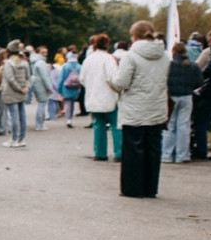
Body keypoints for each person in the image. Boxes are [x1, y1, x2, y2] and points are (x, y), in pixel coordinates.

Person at [108, 20, 170, 198]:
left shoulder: (131, 56)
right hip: (156, 107)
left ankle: (133, 188)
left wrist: (111, 79)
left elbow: (121, 82)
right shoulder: (165, 55)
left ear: (134, 36)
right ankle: (150, 187)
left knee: (134, 149)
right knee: (153, 149)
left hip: (135, 108)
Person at [79, 33, 122, 162]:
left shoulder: (88, 59)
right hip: (108, 96)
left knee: (98, 125)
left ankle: (100, 153)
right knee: (116, 125)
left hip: (93, 96)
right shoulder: (108, 59)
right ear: (107, 45)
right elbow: (112, 77)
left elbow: (82, 78)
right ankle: (119, 152)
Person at [161, 42, 203, 164]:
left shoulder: (169, 65)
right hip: (187, 96)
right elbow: (200, 82)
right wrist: (190, 88)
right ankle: (182, 155)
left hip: (171, 97)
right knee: (184, 126)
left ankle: (167, 155)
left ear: (173, 52)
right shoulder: (193, 66)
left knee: (170, 125)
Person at [192, 29, 211, 159]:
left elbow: (210, 69)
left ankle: (201, 151)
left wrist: (197, 79)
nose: (209, 43)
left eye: (210, 40)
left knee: (201, 121)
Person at [0, 40, 30, 148]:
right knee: (22, 115)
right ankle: (22, 138)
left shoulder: (8, 63)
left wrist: (18, 88)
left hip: (10, 92)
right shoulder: (24, 62)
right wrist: (25, 87)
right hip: (23, 91)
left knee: (13, 116)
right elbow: (28, 77)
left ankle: (14, 139)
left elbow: (10, 78)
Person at [29, 46, 53, 131]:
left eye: (46, 52)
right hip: (41, 84)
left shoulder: (35, 61)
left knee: (41, 104)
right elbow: (45, 76)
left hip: (37, 83)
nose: (45, 54)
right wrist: (49, 87)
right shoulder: (41, 63)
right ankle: (39, 124)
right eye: (43, 52)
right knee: (42, 104)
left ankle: (40, 124)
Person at [57, 52, 82, 127]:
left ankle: (68, 119)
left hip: (66, 86)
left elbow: (61, 78)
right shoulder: (79, 66)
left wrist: (59, 90)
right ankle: (70, 118)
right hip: (76, 86)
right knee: (72, 102)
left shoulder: (65, 66)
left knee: (68, 102)